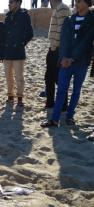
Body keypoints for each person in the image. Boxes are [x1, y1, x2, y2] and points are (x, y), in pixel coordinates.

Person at [41, 0, 94, 128]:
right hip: (65, 61)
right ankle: (54, 120)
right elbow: (63, 39)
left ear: (87, 3)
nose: (76, 3)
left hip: (81, 62)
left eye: (79, 1)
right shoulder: (69, 19)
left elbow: (86, 41)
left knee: (76, 91)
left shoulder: (92, 20)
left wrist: (72, 59)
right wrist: (64, 57)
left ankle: (70, 117)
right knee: (61, 90)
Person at [2, 0, 33, 107]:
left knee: (19, 76)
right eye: (9, 2)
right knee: (8, 76)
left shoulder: (25, 15)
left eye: (11, 2)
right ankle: (10, 95)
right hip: (7, 52)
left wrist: (21, 43)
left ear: (18, 3)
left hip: (18, 52)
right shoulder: (7, 17)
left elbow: (30, 33)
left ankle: (20, 98)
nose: (9, 4)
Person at [43, 0, 71, 109]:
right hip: (56, 48)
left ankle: (62, 105)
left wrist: (54, 47)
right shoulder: (59, 8)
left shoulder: (62, 8)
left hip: (58, 50)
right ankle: (50, 103)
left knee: (57, 79)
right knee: (50, 78)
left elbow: (62, 30)